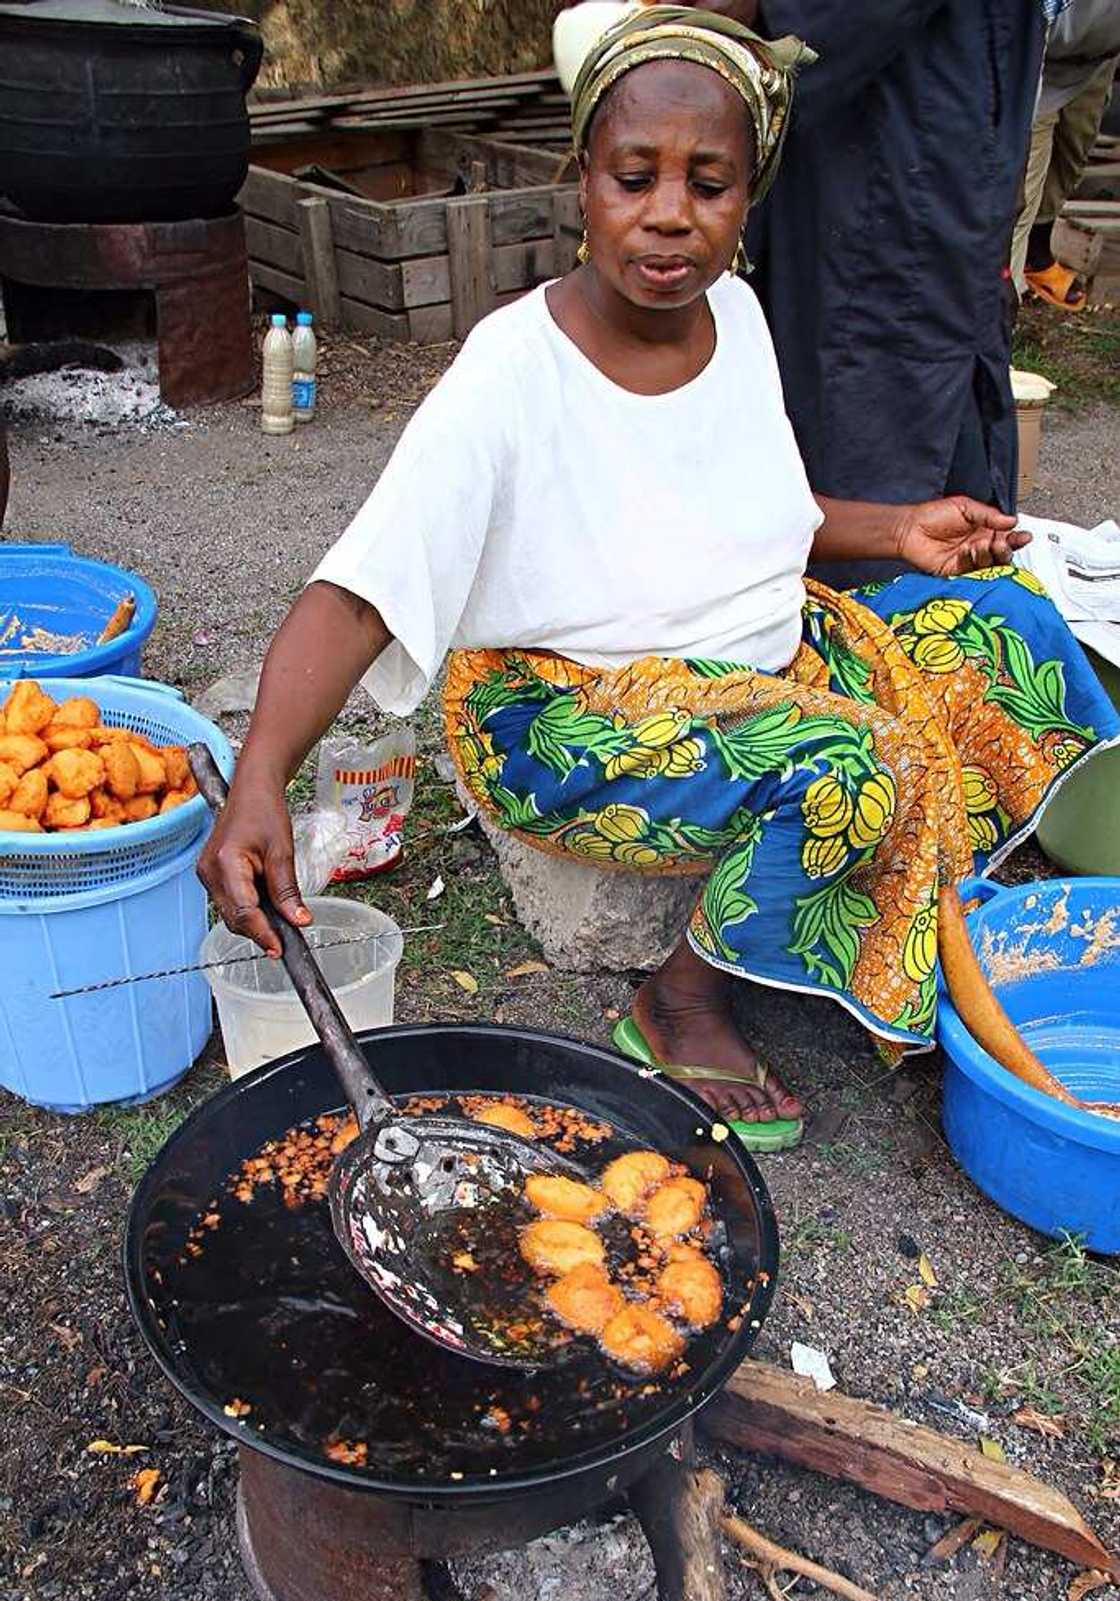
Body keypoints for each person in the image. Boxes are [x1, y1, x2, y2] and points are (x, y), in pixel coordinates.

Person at [199, 6, 1118, 1154]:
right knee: (858, 756)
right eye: (635, 176)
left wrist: (901, 530)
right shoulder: (510, 369)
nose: (670, 214)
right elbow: (358, 591)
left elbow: (764, 516)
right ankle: (680, 996)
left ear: (750, 196)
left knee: (1005, 623)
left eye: (711, 183)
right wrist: (258, 781)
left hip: (750, 665)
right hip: (561, 710)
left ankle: (939, 885)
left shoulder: (733, 312)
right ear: (579, 179)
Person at [723, 0, 1050, 590]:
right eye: (635, 180)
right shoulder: (527, 360)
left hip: (901, 167)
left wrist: (764, 18)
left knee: (876, 428)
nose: (667, 216)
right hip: (890, 158)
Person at [1011, 0, 1120, 309]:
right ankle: (1005, 305)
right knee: (1024, 179)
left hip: (1094, 52)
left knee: (1078, 138)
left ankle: (1035, 251)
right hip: (1034, 51)